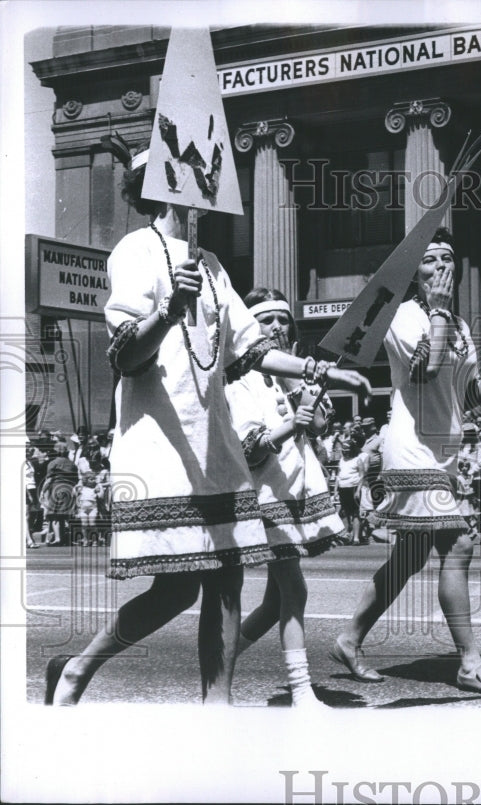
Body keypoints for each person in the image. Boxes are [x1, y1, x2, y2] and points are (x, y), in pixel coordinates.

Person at [45, 146, 370, 706]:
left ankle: (215, 709)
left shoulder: (214, 264)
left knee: (228, 576)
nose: (212, 183)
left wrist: (323, 368)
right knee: (174, 590)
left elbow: (251, 350)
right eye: (200, 173)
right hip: (161, 444)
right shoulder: (135, 250)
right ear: (165, 182)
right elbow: (124, 355)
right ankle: (75, 670)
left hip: (215, 443)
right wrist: (169, 310)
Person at [329, 228, 481, 693]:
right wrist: (437, 311)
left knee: (410, 557)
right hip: (411, 445)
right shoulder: (404, 316)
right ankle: (469, 662)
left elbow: (468, 395)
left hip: (446, 450)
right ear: (415, 273)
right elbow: (425, 370)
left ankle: (349, 639)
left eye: (448, 259)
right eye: (431, 260)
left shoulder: (458, 326)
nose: (442, 267)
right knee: (459, 546)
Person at [225, 287, 349, 708]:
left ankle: (214, 665)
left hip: (296, 487)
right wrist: (294, 423)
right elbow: (248, 448)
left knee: (275, 600)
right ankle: (301, 690)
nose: (277, 327)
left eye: (283, 320)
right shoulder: (240, 377)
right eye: (267, 320)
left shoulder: (288, 374)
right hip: (265, 495)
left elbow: (318, 430)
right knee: (294, 591)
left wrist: (306, 399)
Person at [39, 442, 78, 547]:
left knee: (55, 515)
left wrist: (43, 491)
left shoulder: (53, 463)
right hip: (69, 489)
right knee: (67, 515)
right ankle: (70, 537)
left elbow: (49, 479)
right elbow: (76, 478)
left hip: (56, 488)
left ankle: (58, 538)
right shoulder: (72, 464)